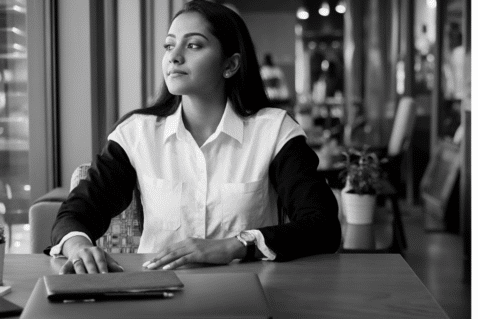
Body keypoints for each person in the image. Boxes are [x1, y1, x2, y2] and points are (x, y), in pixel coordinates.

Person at [48, 0, 340, 274]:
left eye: (193, 45)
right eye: (169, 45)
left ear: (230, 65)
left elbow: (323, 225)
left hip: (250, 293)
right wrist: (79, 246)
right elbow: (76, 214)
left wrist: (234, 246)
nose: (174, 57)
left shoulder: (274, 131)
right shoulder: (137, 133)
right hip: (158, 294)